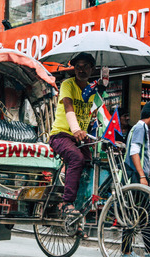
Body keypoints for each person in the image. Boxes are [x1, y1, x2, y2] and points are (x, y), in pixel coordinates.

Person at [49, 52, 99, 239]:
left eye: (86, 66)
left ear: (92, 69)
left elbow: (99, 115)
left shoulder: (92, 91)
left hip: (81, 137)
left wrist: (112, 138)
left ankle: (79, 212)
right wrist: (76, 128)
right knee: (76, 158)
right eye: (78, 65)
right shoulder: (67, 84)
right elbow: (69, 106)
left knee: (94, 162)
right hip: (61, 135)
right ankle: (67, 204)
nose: (82, 69)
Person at [121, 101, 150, 257]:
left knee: (141, 212)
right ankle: (127, 251)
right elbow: (134, 152)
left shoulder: (139, 128)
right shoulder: (140, 128)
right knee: (136, 211)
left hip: (136, 174)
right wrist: (142, 175)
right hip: (134, 174)